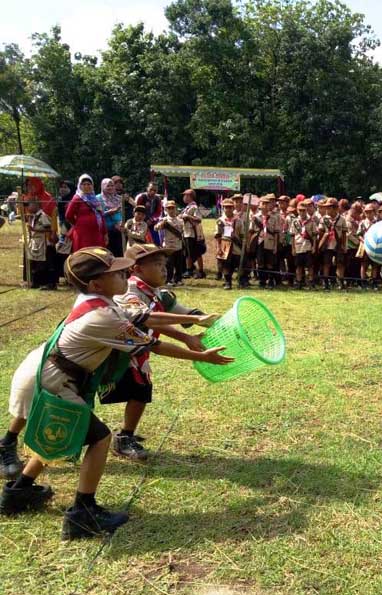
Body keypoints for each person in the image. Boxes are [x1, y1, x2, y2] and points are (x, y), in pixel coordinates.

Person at [0, 247, 231, 538]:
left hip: (50, 374)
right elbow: (151, 344)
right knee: (99, 438)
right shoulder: (103, 316)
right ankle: (83, 513)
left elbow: (142, 318)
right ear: (96, 282)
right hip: (51, 382)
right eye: (116, 272)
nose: (125, 272)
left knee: (65, 434)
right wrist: (203, 357)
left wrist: (194, 323)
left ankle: (19, 492)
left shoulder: (99, 300)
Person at [106, 243, 211, 460]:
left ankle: (125, 435)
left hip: (137, 350)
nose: (164, 269)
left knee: (141, 391)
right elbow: (148, 319)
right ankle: (100, 437)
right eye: (156, 264)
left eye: (164, 264)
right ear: (136, 269)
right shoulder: (130, 291)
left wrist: (204, 322)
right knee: (93, 392)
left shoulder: (157, 293)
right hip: (113, 352)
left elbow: (177, 313)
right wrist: (190, 325)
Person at [65, 174, 107, 252]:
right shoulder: (77, 198)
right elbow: (68, 215)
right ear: (80, 186)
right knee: (84, 255)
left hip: (96, 233)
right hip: (83, 233)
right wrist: (77, 223)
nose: (87, 186)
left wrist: (105, 233)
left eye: (89, 184)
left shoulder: (95, 199)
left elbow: (101, 215)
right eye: (84, 184)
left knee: (98, 254)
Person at [23, 198, 57, 290]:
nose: (28, 207)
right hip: (37, 242)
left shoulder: (42, 216)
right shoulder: (34, 216)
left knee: (46, 264)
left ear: (36, 205)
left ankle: (50, 284)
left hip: (44, 242)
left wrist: (34, 230)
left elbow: (49, 228)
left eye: (29, 205)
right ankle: (37, 282)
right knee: (37, 263)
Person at [215, 198, 245, 290]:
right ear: (223, 208)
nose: (228, 209)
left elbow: (242, 234)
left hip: (236, 245)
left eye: (230, 207)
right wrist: (218, 247)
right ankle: (228, 282)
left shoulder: (238, 220)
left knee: (236, 262)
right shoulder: (220, 221)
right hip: (224, 245)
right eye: (226, 207)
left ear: (233, 208)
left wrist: (244, 245)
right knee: (225, 264)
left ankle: (240, 280)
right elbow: (218, 236)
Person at [154, 200, 184, 285]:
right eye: (169, 208)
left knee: (178, 264)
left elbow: (182, 231)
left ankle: (178, 279)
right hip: (168, 245)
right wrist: (161, 225)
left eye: (172, 208)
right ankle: (168, 280)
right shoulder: (164, 220)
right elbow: (155, 228)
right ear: (166, 210)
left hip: (178, 245)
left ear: (175, 209)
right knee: (169, 264)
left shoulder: (180, 220)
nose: (171, 210)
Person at [179, 189, 206, 279]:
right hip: (187, 233)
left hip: (193, 233)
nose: (184, 197)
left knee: (197, 253)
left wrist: (187, 216)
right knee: (188, 253)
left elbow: (198, 219)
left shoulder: (194, 207)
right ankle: (189, 270)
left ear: (190, 196)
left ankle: (201, 271)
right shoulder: (188, 207)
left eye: (186, 195)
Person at [291, 199, 316, 289]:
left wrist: (314, 246)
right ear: (297, 211)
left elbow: (314, 235)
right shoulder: (294, 221)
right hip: (298, 246)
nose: (302, 212)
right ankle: (298, 282)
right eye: (300, 210)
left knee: (310, 266)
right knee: (298, 266)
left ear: (306, 210)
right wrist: (293, 248)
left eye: (303, 210)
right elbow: (292, 235)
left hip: (308, 246)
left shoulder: (311, 221)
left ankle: (311, 282)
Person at [98, 178, 124, 256]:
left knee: (119, 253)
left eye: (112, 185)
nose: (110, 188)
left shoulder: (118, 198)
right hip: (105, 231)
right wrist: (109, 213)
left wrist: (120, 223)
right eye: (108, 186)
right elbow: (97, 215)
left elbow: (122, 214)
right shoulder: (98, 198)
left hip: (118, 230)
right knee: (108, 253)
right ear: (103, 187)